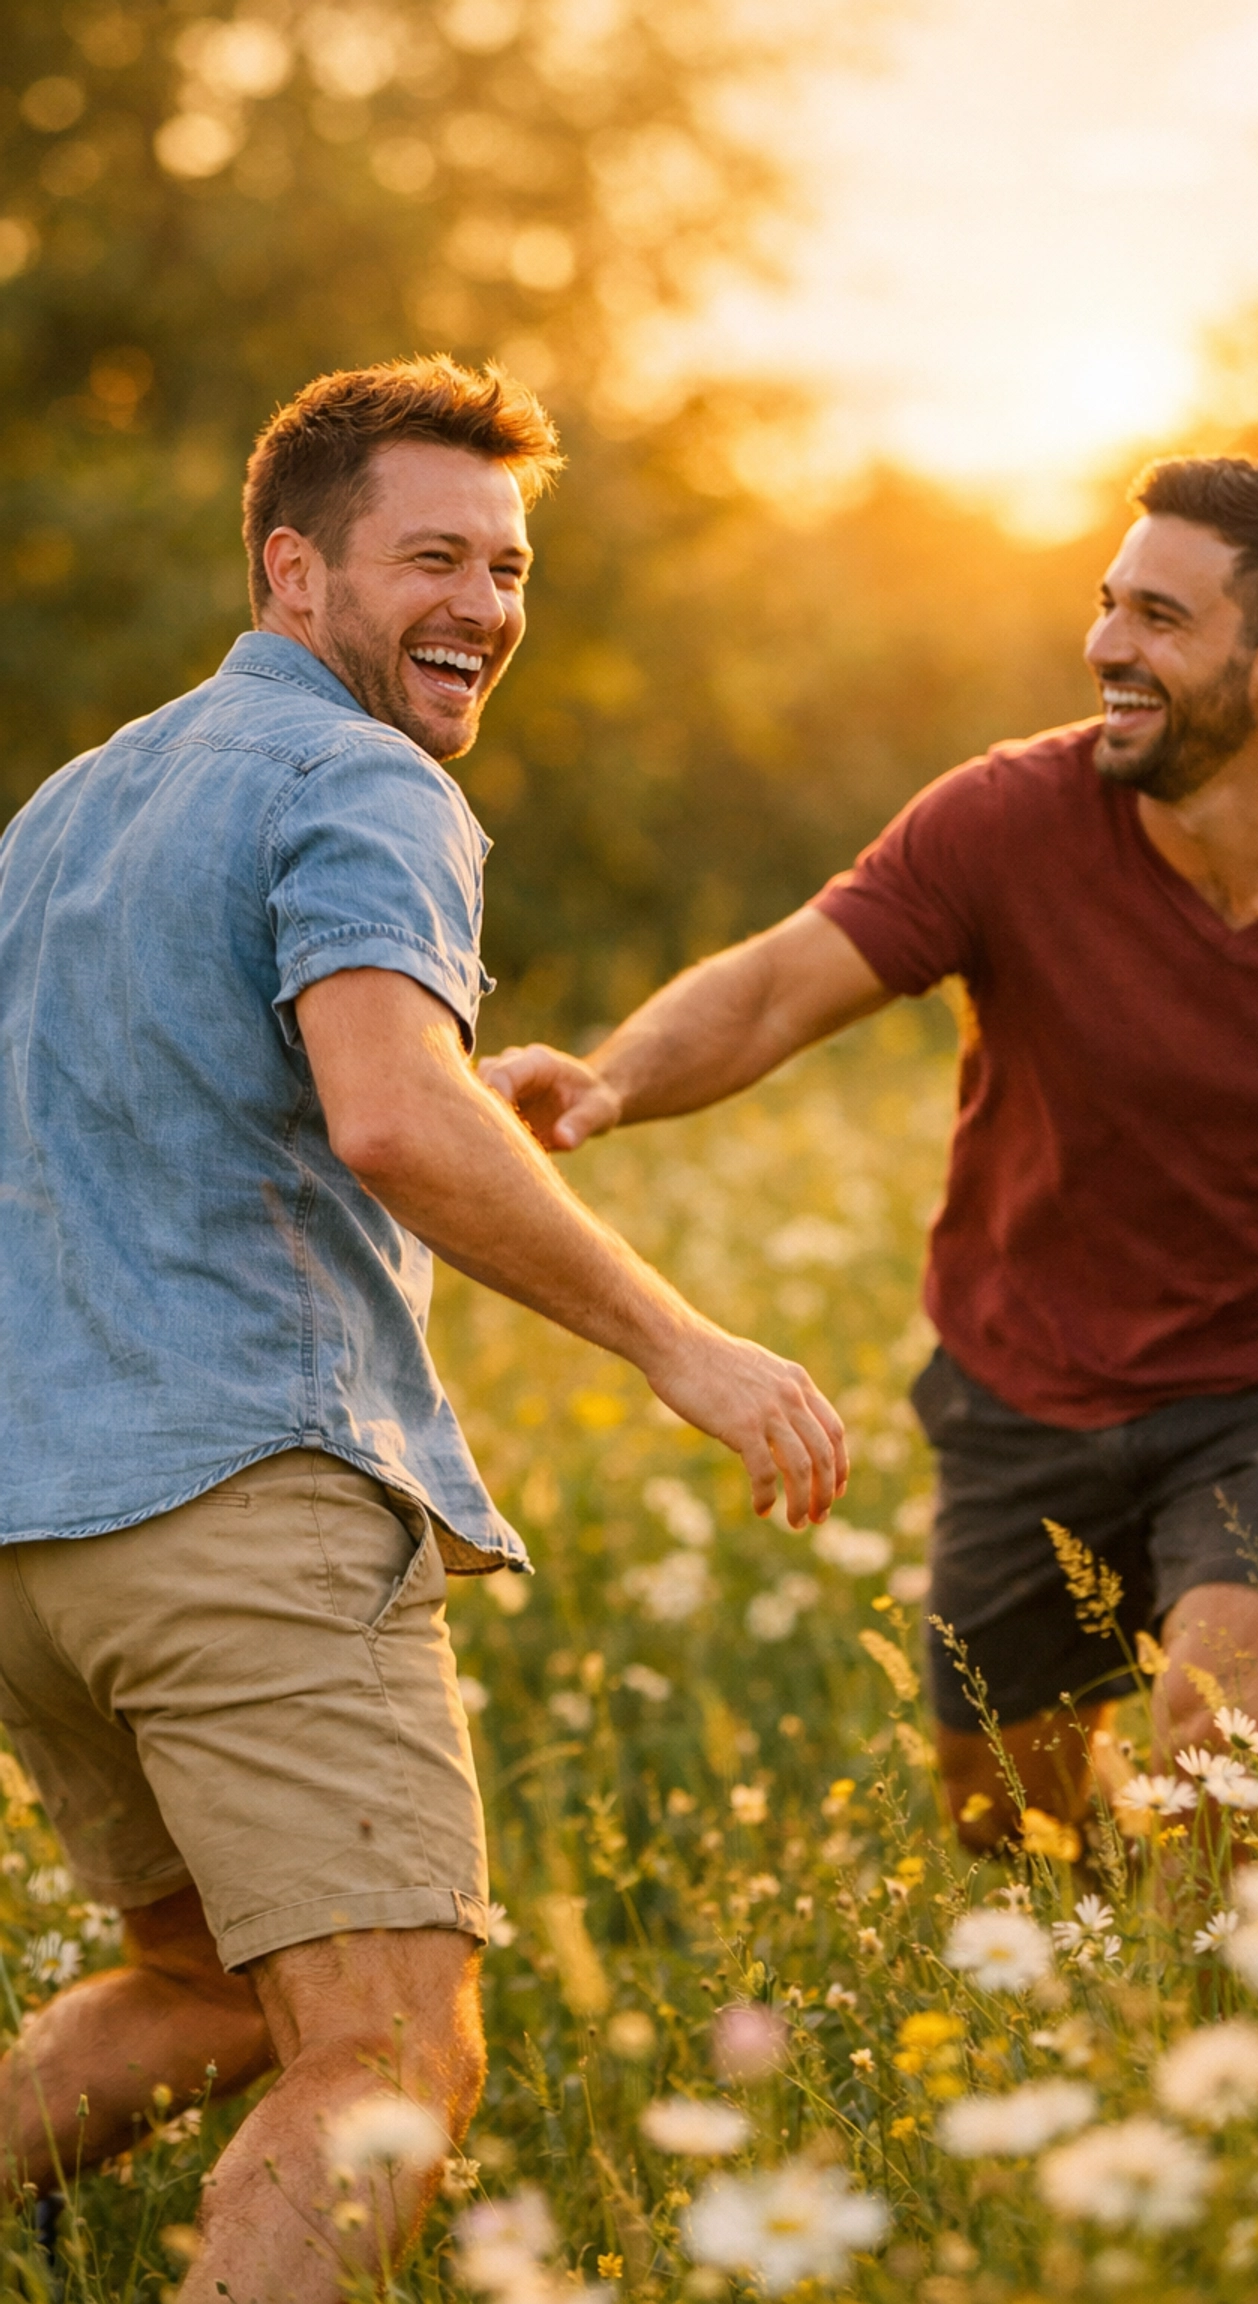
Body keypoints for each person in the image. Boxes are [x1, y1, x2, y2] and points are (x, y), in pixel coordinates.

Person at [0, 356, 845, 2300]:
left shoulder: (69, 806)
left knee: (203, 1981)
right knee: (384, 2058)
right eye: (431, 558)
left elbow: (210, 1096)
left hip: (35, 1531)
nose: (483, 604)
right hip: (243, 1507)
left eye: (511, 565)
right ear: (294, 571)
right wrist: (679, 1345)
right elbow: (386, 1111)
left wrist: (462, 1092)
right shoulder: (356, 775)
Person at [485, 453, 1258, 1853]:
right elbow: (780, 983)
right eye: (1109, 605)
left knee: (1221, 1739)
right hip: (1023, 1387)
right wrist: (609, 1080)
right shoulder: (1006, 820)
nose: (1105, 644)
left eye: (1161, 618)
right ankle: (1105, 2004)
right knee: (1010, 1824)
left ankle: (1218, 2044)